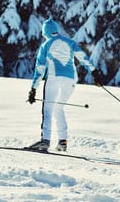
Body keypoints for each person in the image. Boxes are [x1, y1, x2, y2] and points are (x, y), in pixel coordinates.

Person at [27, 18, 104, 152]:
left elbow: (40, 68)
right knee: (59, 108)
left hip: (54, 78)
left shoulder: (46, 45)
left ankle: (45, 141)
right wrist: (94, 72)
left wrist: (33, 89)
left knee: (48, 109)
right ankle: (62, 141)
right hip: (70, 81)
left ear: (46, 33)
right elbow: (83, 57)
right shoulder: (69, 42)